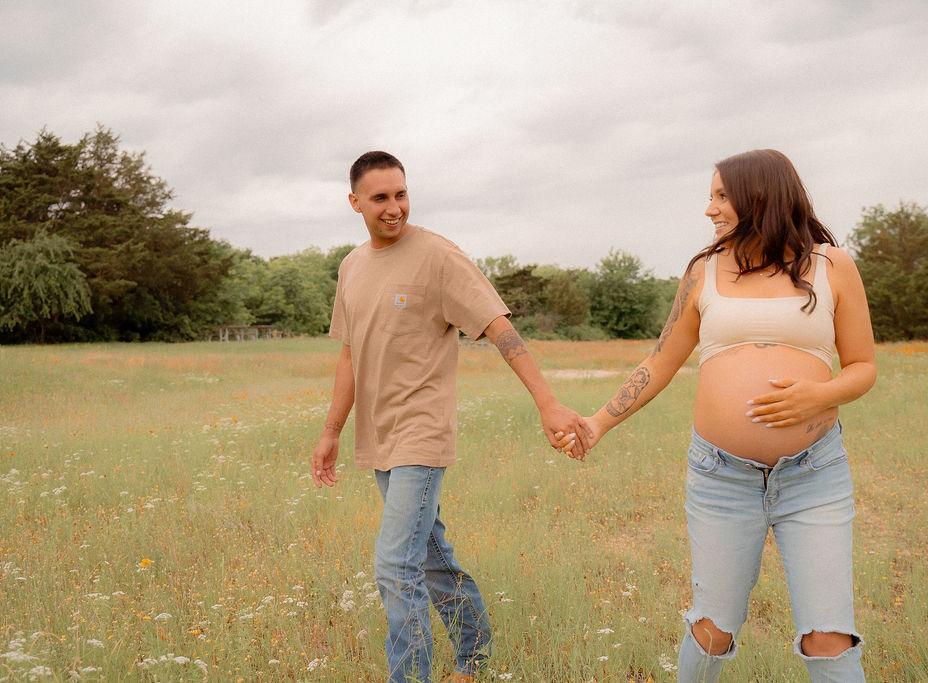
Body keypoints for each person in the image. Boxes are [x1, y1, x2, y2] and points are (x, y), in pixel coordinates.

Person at [557, 149, 876, 682]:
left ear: (760, 195)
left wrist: (818, 397)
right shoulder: (703, 271)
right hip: (720, 478)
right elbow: (660, 361)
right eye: (710, 196)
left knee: (828, 635)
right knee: (712, 628)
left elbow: (863, 366)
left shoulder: (832, 266)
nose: (709, 209)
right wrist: (597, 422)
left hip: (815, 475)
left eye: (720, 195)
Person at [311, 151, 590, 683]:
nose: (395, 208)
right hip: (379, 437)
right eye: (380, 198)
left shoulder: (438, 256)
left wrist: (547, 401)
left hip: (422, 433)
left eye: (401, 194)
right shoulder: (351, 267)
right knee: (432, 556)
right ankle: (475, 656)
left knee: (395, 565)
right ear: (354, 203)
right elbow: (349, 354)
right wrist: (331, 433)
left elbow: (498, 326)